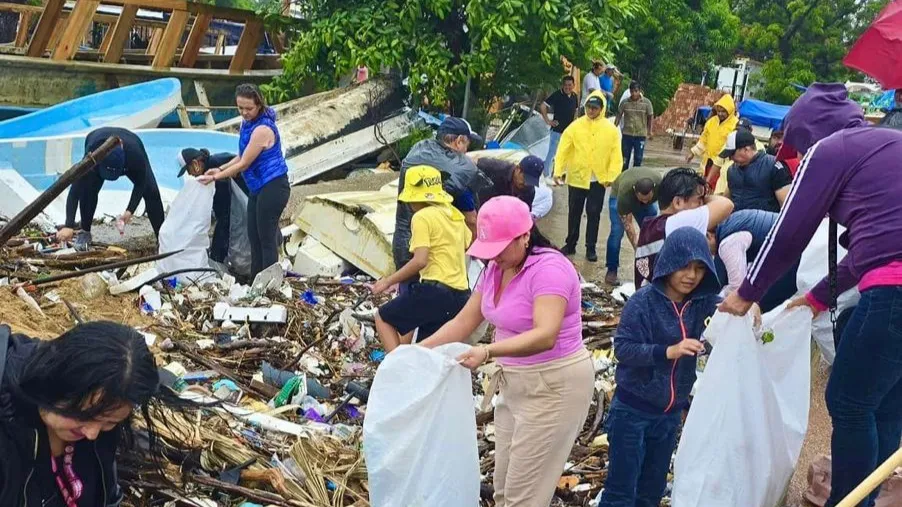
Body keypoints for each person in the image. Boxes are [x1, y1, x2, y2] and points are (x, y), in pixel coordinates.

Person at [717, 83, 902, 507]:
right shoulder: (888, 144)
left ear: (810, 133)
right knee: (885, 404)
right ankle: (868, 499)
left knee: (849, 401)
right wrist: (817, 297)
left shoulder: (832, 149)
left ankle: (850, 501)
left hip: (894, 291)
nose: (798, 160)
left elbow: (790, 231)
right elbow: (867, 252)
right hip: (892, 279)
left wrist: (748, 292)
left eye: (798, 149)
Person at [420, 196, 594, 507]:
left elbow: (545, 335)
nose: (494, 257)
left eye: (500, 249)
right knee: (503, 488)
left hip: (554, 385)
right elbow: (463, 321)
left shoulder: (550, 269)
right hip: (514, 384)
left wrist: (487, 352)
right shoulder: (494, 269)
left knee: (523, 496)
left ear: (525, 235)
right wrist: (417, 352)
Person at [599, 227, 721, 507]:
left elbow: (728, 307)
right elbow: (624, 349)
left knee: (651, 492)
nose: (691, 275)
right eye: (684, 266)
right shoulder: (642, 303)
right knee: (620, 492)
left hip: (669, 415)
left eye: (699, 268)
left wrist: (747, 307)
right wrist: (669, 351)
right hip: (632, 412)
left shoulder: (701, 304)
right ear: (668, 263)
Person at [0, 321, 177, 506]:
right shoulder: (7, 426)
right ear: (54, 385)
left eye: (110, 422)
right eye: (83, 417)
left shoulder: (103, 417)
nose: (92, 434)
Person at [372, 165, 472, 351]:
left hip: (433, 290)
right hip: (461, 295)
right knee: (428, 351)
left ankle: (396, 372)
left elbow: (420, 260)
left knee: (383, 318)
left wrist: (387, 282)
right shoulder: (455, 215)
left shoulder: (422, 217)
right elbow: (467, 244)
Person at [197, 84, 290, 279]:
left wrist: (215, 177)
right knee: (253, 237)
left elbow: (244, 164)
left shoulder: (263, 129)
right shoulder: (247, 124)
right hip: (258, 187)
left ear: (259, 105)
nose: (244, 113)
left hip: (273, 186)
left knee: (266, 238)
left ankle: (270, 283)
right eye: (240, 108)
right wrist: (220, 168)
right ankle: (254, 281)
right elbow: (240, 156)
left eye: (249, 108)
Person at [392, 116, 481, 292]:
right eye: (467, 145)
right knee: (439, 312)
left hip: (405, 247)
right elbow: (471, 219)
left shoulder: (417, 153)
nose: (465, 152)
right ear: (459, 141)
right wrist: (470, 252)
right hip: (440, 265)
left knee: (407, 304)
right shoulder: (457, 170)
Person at [58, 127, 165, 248]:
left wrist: (130, 210)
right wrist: (68, 225)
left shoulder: (135, 156)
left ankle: (162, 237)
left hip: (131, 143)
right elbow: (75, 191)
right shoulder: (92, 157)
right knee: (88, 190)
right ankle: (85, 232)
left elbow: (141, 183)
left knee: (152, 192)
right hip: (95, 142)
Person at [634, 167, 734, 287]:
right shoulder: (678, 222)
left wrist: (698, 196)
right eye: (699, 201)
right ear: (678, 203)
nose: (702, 206)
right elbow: (726, 205)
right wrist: (704, 196)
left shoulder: (651, 224)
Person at [554, 91, 623, 262]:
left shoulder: (611, 130)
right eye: (589, 107)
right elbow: (564, 149)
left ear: (602, 109)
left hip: (597, 179)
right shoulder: (575, 126)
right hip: (577, 177)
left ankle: (590, 247)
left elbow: (616, 155)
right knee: (574, 212)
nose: (591, 110)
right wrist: (559, 170)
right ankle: (570, 243)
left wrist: (612, 176)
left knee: (594, 213)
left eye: (595, 108)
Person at [712, 209, 798, 312]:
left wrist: (715, 303)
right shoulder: (732, 221)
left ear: (708, 235)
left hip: (793, 253)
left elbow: (738, 289)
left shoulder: (727, 244)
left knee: (755, 307)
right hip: (796, 235)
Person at [178, 148, 249, 268]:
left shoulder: (216, 162)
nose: (189, 174)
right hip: (228, 211)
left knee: (226, 231)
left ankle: (218, 261)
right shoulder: (207, 170)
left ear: (196, 163)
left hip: (241, 202)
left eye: (188, 170)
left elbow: (241, 162)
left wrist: (227, 174)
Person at [605, 167, 661, 285]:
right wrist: (638, 250)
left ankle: (654, 267)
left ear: (654, 190)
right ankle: (611, 270)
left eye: (647, 199)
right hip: (618, 196)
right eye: (642, 199)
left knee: (652, 229)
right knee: (616, 232)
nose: (644, 202)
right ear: (635, 191)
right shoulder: (625, 193)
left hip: (643, 194)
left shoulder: (660, 184)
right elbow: (628, 225)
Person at [718, 129, 792, 213]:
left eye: (732, 154)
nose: (730, 158)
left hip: (765, 223)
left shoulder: (773, 165)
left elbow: (786, 204)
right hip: (737, 222)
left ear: (746, 149)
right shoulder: (732, 171)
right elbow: (726, 200)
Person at [686, 95, 738, 186]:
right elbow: (703, 140)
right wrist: (692, 152)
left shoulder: (735, 125)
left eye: (723, 111)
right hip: (708, 161)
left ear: (729, 111)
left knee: (718, 188)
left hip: (723, 164)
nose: (720, 114)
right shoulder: (711, 122)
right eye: (719, 111)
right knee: (704, 185)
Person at [540, 76, 579, 181]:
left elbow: (576, 110)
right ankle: (546, 174)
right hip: (557, 130)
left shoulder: (575, 96)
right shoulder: (557, 95)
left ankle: (558, 174)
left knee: (565, 153)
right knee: (552, 152)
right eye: (565, 85)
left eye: (570, 85)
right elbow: (543, 106)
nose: (567, 87)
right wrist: (548, 121)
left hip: (569, 131)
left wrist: (575, 123)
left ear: (573, 85)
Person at [475, 155, 543, 209]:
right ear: (518, 169)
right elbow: (473, 162)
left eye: (530, 181)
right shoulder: (496, 168)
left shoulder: (529, 190)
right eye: (525, 178)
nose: (526, 184)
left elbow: (524, 213)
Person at [616, 81, 654, 171]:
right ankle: (623, 178)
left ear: (639, 91)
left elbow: (650, 116)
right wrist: (614, 129)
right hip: (627, 134)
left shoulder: (647, 103)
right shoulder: (625, 103)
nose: (634, 93)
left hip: (640, 135)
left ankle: (635, 178)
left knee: (638, 158)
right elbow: (618, 115)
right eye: (632, 91)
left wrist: (650, 131)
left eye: (636, 91)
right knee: (625, 159)